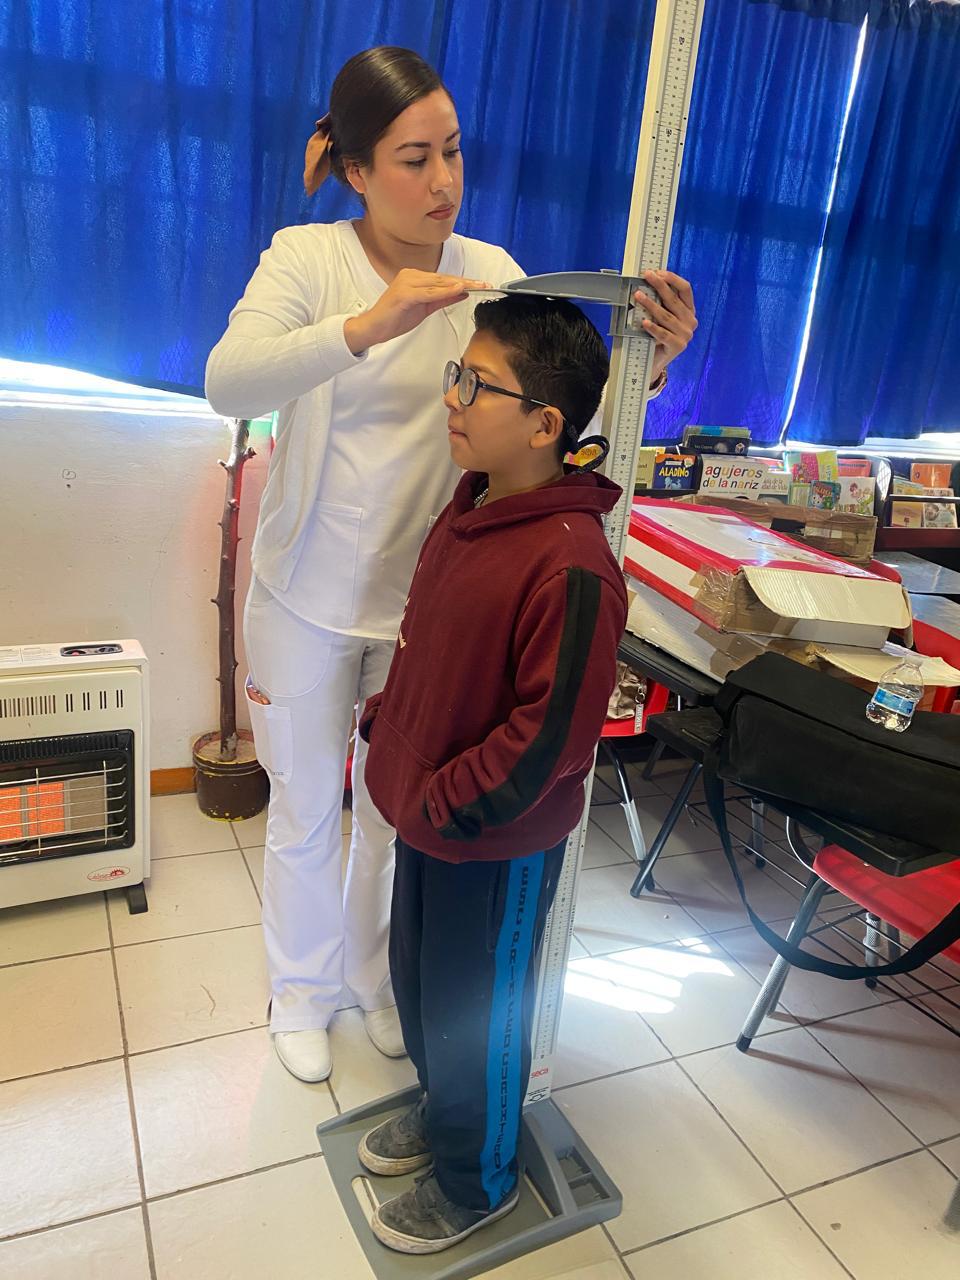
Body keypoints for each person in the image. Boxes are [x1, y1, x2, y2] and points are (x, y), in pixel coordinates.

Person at [205, 45, 697, 1085]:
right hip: (302, 596)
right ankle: (301, 989)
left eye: (455, 153)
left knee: (393, 810)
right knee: (305, 808)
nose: (443, 182)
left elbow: (554, 410)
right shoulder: (307, 260)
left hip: (427, 611)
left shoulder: (489, 268)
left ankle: (373, 978)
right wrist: (368, 324)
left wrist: (655, 361)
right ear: (356, 169)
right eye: (414, 158)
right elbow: (228, 380)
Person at [355, 293, 627, 1255]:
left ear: (546, 425)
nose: (453, 398)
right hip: (429, 818)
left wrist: (444, 800)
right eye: (456, 376)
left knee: (483, 1017)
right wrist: (391, 729)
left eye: (477, 384)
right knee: (423, 988)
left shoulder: (571, 566)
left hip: (491, 841)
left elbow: (549, 740)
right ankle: (444, 1117)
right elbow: (434, 646)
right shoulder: (472, 507)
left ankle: (479, 1181)